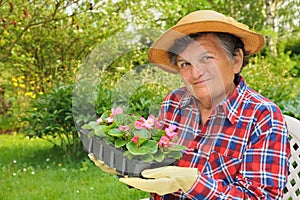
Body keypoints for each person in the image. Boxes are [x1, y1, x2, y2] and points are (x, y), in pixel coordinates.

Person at [91, 10, 291, 199]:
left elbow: (261, 197)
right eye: (185, 63)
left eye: (206, 58)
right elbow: (154, 167)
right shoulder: (174, 103)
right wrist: (123, 164)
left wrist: (193, 183)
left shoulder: (263, 116)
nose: (195, 73)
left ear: (236, 60)